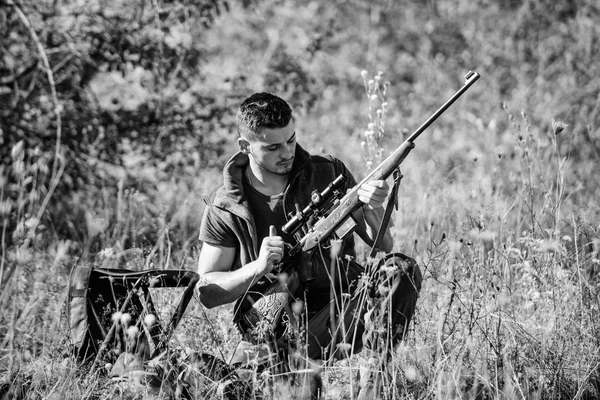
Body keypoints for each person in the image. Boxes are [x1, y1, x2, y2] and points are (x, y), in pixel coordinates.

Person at [196, 92, 422, 398]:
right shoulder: (226, 205)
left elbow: (382, 243)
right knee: (265, 389)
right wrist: (257, 267)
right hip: (280, 331)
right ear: (245, 147)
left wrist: (372, 209)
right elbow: (207, 290)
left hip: (346, 304)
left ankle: (374, 382)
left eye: (291, 140)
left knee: (400, 269)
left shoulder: (327, 172)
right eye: (273, 147)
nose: (287, 152)